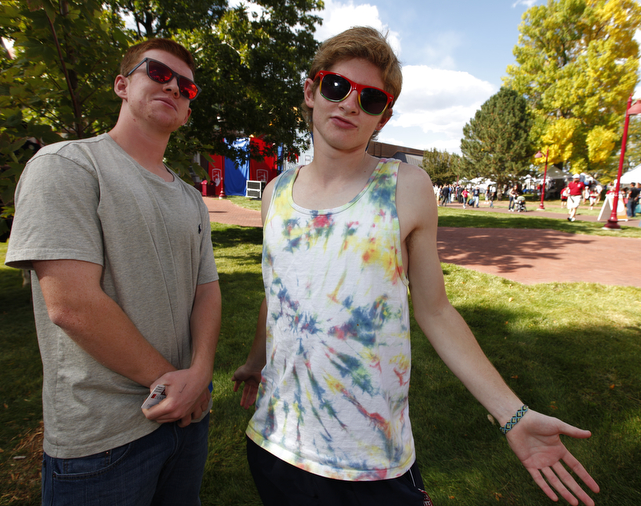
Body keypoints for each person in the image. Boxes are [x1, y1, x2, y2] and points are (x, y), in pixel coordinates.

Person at [231, 26, 599, 506]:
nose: (349, 104)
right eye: (337, 87)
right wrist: (254, 362)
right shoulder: (275, 194)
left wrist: (511, 413)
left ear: (382, 118)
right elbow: (279, 290)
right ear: (311, 91)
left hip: (372, 461)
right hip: (275, 445)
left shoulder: (406, 187)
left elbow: (435, 310)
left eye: (371, 99)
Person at [5, 38, 221, 505]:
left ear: (188, 111)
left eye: (186, 87)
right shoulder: (66, 165)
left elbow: (207, 291)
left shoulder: (190, 198)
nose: (174, 87)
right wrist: (173, 385)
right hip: (102, 439)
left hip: (187, 422)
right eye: (158, 73)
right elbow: (72, 304)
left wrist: (201, 375)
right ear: (122, 85)